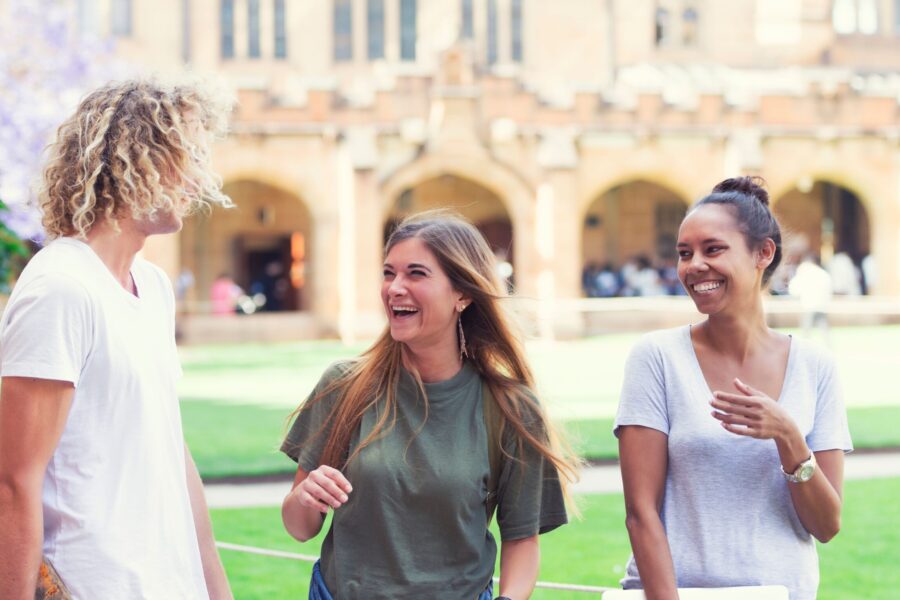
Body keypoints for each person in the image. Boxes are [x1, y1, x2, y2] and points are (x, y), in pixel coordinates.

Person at [0, 80, 234, 599]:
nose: (200, 178)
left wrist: (216, 587)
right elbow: (15, 484)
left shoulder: (151, 286)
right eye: (187, 155)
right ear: (134, 159)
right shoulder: (60, 288)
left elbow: (172, 450)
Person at [281, 211, 577, 600]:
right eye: (389, 273)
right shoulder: (344, 386)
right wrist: (305, 497)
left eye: (416, 274)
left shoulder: (512, 407)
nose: (394, 288)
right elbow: (300, 527)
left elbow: (522, 540)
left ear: (464, 294)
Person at [615, 177, 852, 600]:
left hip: (782, 592)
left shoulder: (815, 366)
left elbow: (827, 526)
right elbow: (641, 514)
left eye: (713, 249)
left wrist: (789, 437)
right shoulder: (657, 358)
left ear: (764, 253)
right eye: (684, 254)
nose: (694, 266)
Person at [789, 254, 833, 342]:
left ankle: (805, 350)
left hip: (808, 306)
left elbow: (794, 290)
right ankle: (828, 348)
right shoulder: (823, 273)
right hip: (822, 305)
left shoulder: (805, 273)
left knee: (806, 332)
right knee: (824, 331)